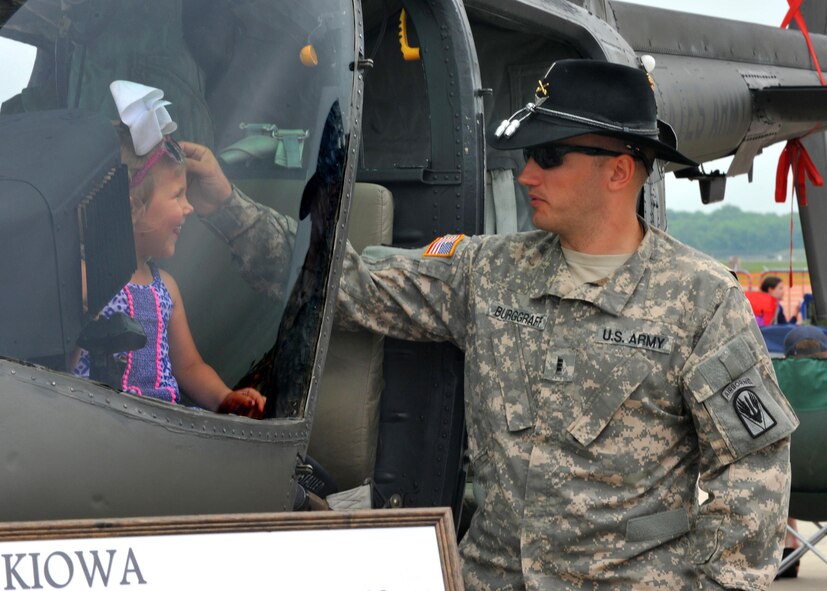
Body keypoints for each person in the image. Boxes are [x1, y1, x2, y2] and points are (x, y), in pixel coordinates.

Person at [184, 60, 797, 589]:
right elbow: (346, 288)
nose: (528, 174)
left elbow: (754, 473)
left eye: (550, 156)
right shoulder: (489, 271)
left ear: (619, 171)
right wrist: (222, 206)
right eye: (529, 154)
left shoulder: (701, 299)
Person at [74, 80, 266, 419]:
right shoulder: (85, 280)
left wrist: (226, 398)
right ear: (132, 208)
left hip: (161, 434)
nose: (188, 207)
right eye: (177, 195)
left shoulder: (167, 290)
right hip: (97, 428)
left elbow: (190, 366)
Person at [774, 325, 827, 578]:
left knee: (776, 456)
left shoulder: (771, 381)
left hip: (786, 498)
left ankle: (787, 548)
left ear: (786, 357)